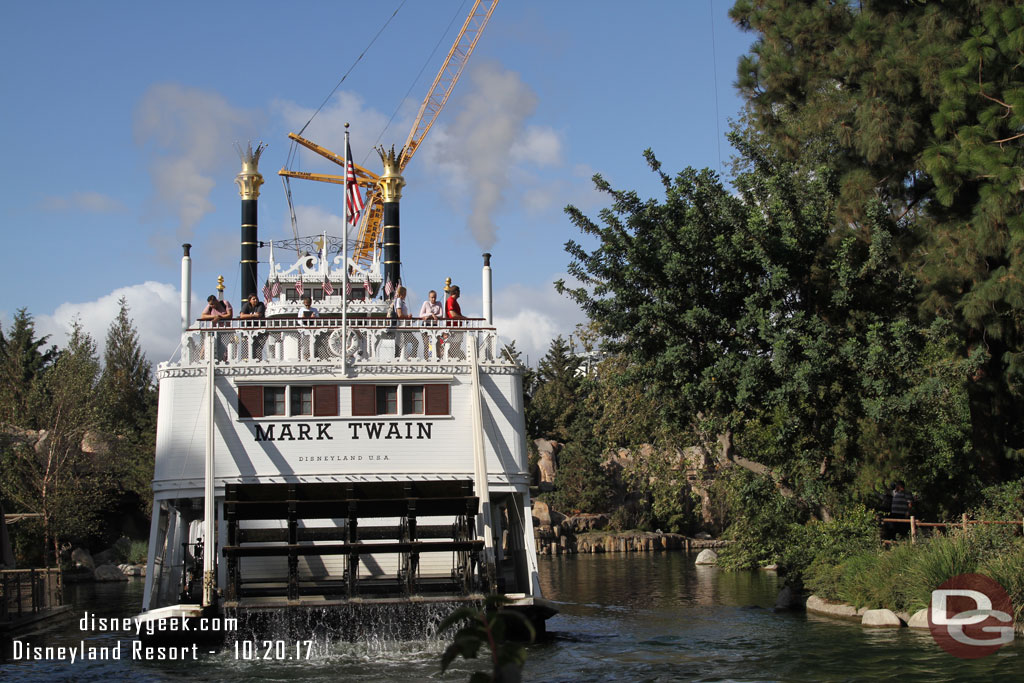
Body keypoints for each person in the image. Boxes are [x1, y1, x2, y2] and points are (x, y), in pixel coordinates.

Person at [419, 289, 442, 359]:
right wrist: (431, 314)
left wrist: (431, 316)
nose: (433, 299)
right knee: (426, 344)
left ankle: (438, 357)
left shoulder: (439, 303)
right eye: (432, 297)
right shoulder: (426, 303)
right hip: (426, 325)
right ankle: (426, 359)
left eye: (435, 297)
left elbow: (441, 315)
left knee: (437, 343)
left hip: (434, 326)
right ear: (429, 297)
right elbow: (421, 315)